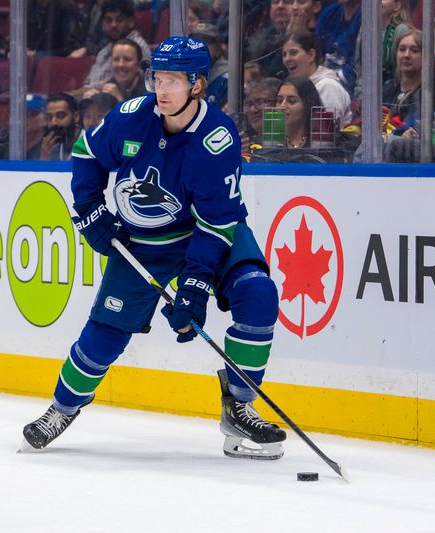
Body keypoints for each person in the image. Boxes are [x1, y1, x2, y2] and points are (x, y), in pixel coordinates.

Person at [22, 35, 287, 461]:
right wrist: (90, 209)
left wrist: (196, 285)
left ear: (197, 84)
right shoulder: (131, 117)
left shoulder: (216, 140)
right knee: (104, 337)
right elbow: (86, 152)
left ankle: (239, 405)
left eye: (173, 81)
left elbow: (216, 223)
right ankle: (62, 407)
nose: (161, 90)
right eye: (157, 78)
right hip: (141, 244)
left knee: (256, 292)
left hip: (207, 234)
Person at [282, 30, 352, 126]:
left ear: (311, 55)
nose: (287, 59)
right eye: (284, 54)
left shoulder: (327, 86)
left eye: (293, 53)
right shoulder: (291, 87)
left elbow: (327, 133)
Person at [74, 0, 151, 87]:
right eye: (108, 20)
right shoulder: (104, 51)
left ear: (130, 22)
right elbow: (88, 83)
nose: (113, 25)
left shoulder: (137, 46)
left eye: (119, 20)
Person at [382, 29, 423, 136]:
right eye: (402, 49)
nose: (406, 55)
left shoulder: (427, 94)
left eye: (414, 51)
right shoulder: (388, 87)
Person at [314, 0, 362, 91]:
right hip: (324, 78)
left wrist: (330, 79)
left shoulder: (367, 16)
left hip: (351, 86)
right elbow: (315, 51)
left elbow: (358, 65)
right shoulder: (329, 13)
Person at [81, 39, 146, 102]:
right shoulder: (108, 86)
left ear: (138, 66)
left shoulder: (151, 90)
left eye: (127, 59)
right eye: (116, 59)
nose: (120, 65)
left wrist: (119, 100)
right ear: (110, 64)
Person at [276, 76, 324, 149]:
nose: (282, 106)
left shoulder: (324, 141)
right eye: (279, 100)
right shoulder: (264, 141)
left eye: (291, 101)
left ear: (308, 105)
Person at [190, 23, 229, 110]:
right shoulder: (187, 73)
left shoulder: (227, 78)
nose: (200, 47)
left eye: (206, 42)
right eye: (195, 42)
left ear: (218, 48)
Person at [238, 76, 281, 149]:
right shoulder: (243, 144)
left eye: (260, 102)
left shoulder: (294, 142)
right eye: (249, 104)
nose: (253, 110)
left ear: (278, 102)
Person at [38, 92, 82, 161]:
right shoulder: (49, 147)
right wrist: (44, 156)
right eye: (49, 117)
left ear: (76, 116)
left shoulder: (90, 143)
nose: (54, 122)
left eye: (61, 116)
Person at [25, 93, 46, 159]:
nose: (26, 119)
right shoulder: (9, 142)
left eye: (33, 114)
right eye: (23, 114)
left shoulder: (52, 145)